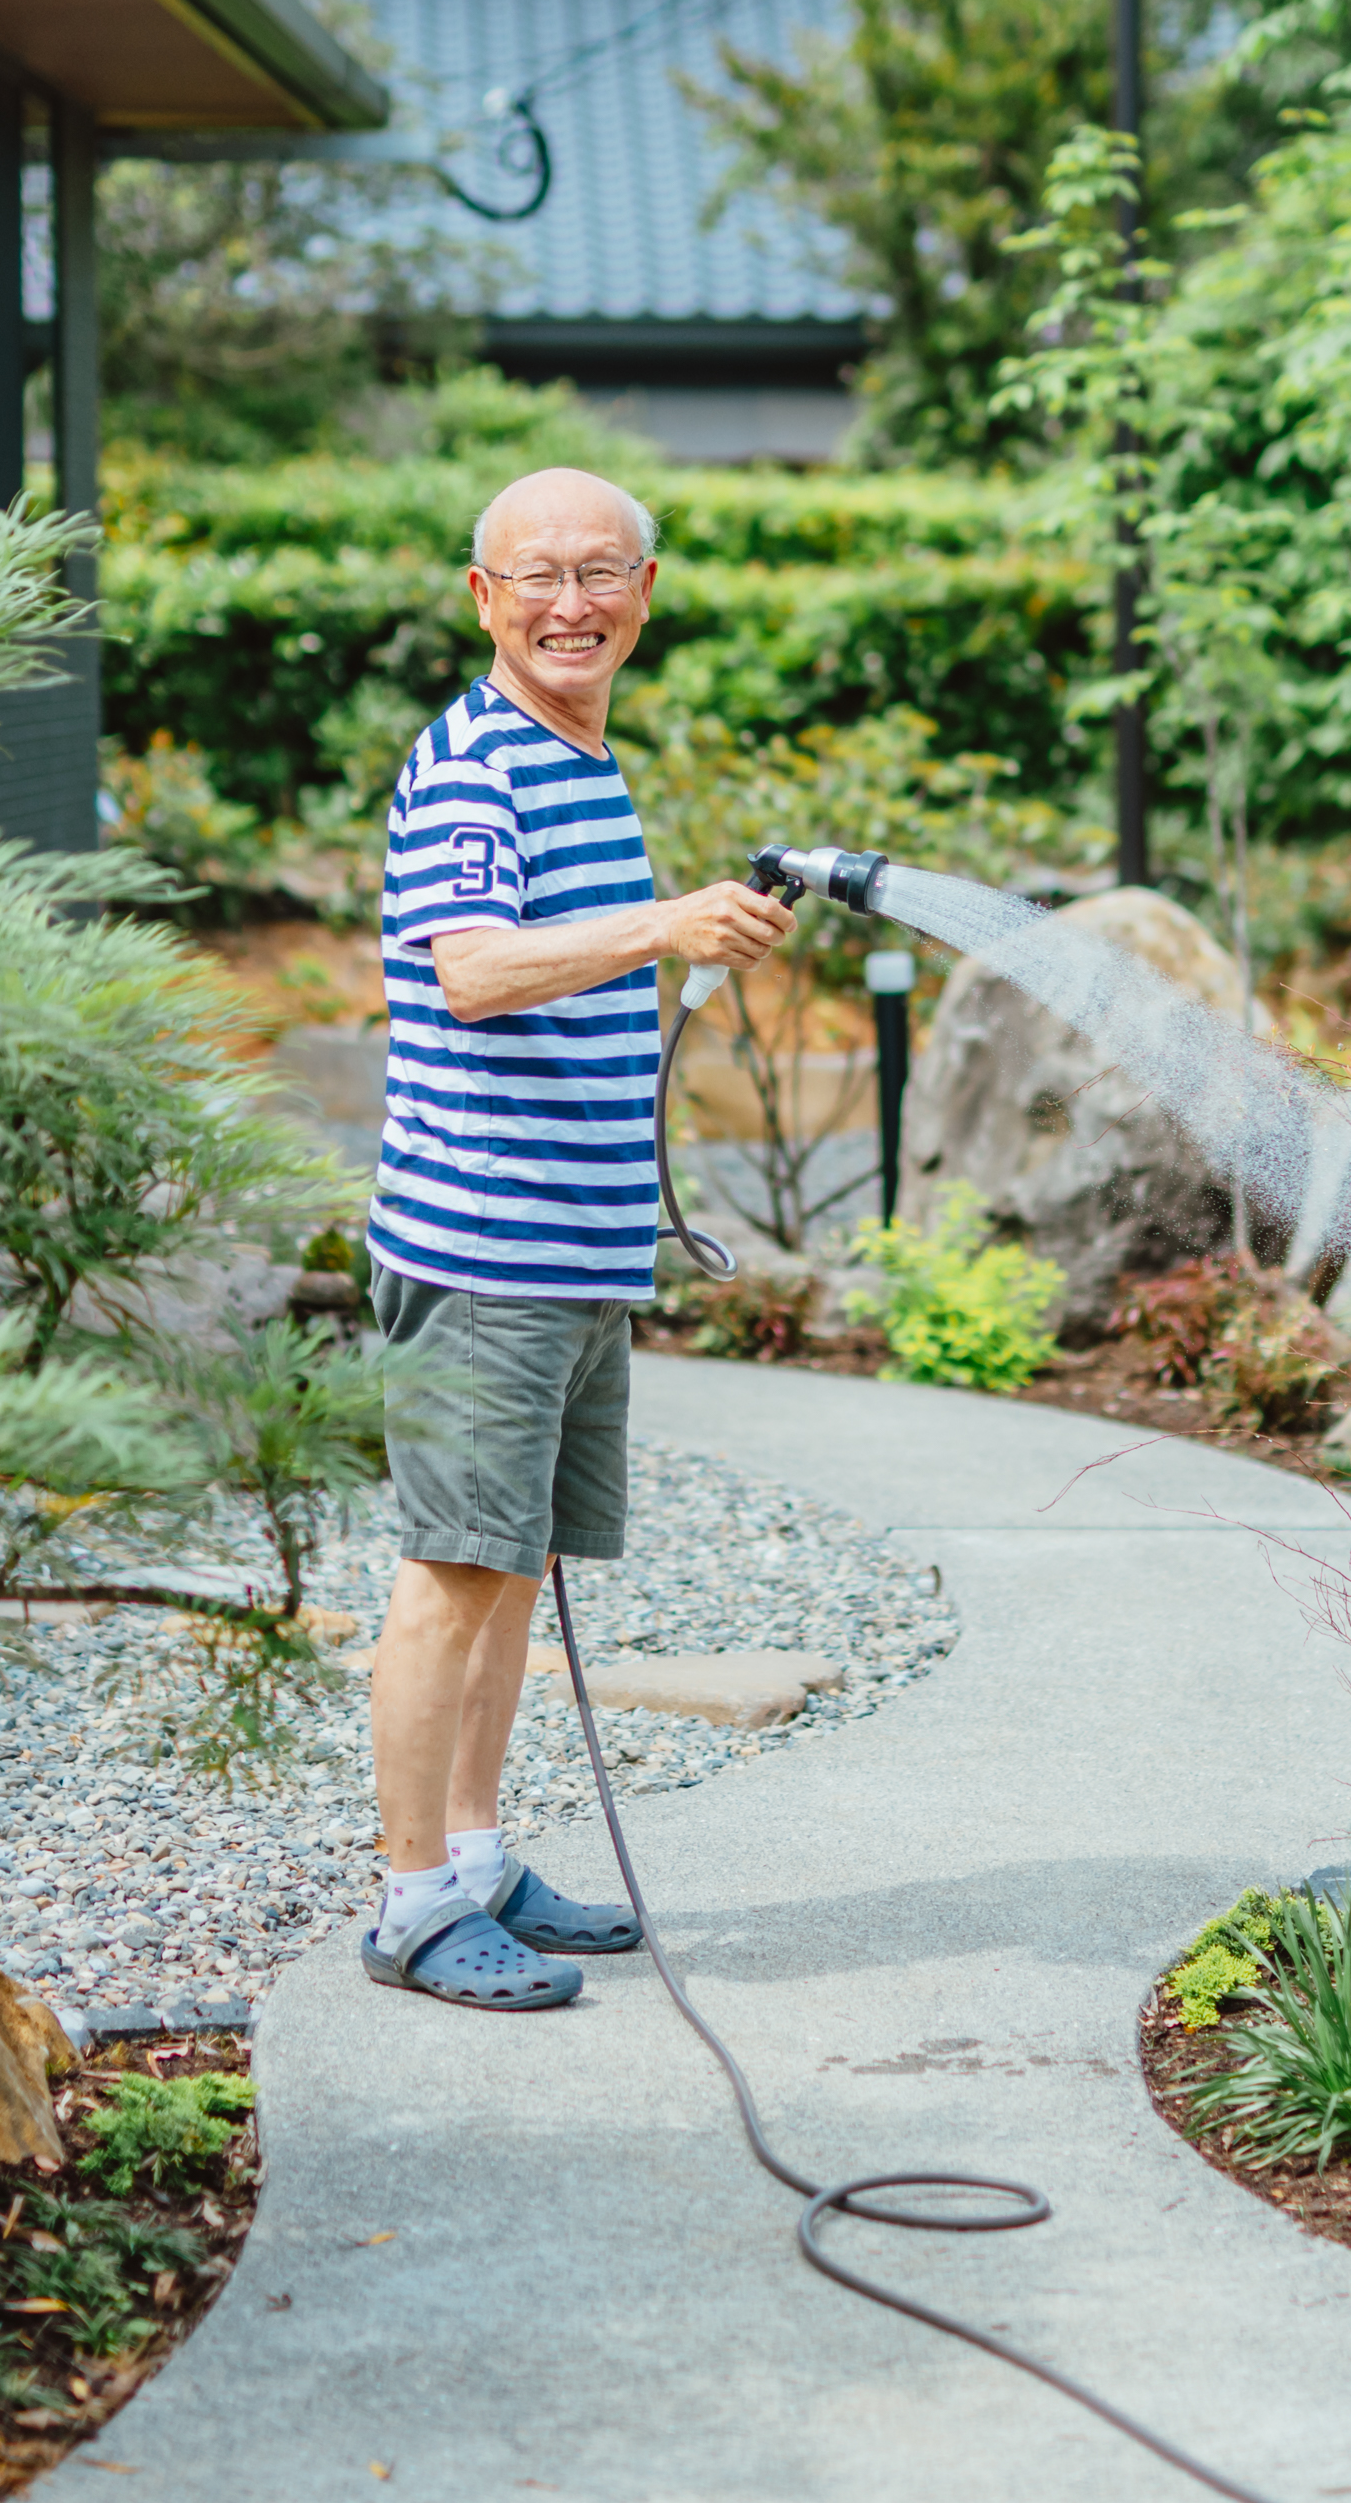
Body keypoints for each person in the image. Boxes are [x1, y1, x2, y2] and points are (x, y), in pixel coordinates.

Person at [358, 465, 796, 2011]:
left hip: (571, 1254)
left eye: (602, 572)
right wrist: (665, 926)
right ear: (482, 598)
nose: (571, 602)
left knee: (517, 1568)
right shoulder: (479, 765)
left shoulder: (577, 760)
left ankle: (476, 1863)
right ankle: (413, 1902)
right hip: (483, 1257)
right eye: (535, 574)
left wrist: (680, 929)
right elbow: (468, 971)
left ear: (646, 595)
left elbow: (573, 959)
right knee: (452, 1571)